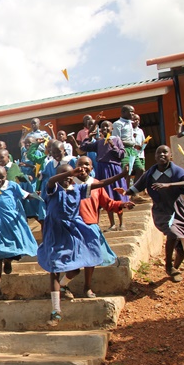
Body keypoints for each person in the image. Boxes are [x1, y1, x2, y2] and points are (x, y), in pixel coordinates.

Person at [38, 164, 129, 325]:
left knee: (75, 270)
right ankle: (56, 310)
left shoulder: (78, 190)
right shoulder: (52, 189)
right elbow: (52, 180)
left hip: (73, 232)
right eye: (63, 175)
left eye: (69, 176)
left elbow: (100, 184)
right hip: (55, 233)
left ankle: (64, 285)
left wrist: (121, 175)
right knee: (54, 269)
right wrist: (71, 172)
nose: (67, 178)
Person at [120, 145, 184, 282]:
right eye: (158, 152)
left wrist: (169, 185)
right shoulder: (151, 173)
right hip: (161, 210)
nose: (162, 154)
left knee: (183, 245)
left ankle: (175, 267)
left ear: (170, 155)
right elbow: (137, 186)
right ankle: (168, 266)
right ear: (155, 157)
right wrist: (125, 192)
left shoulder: (175, 170)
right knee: (172, 232)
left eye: (165, 152)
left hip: (177, 208)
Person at [73, 156, 134, 298]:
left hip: (90, 226)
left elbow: (108, 203)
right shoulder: (69, 185)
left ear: (92, 168)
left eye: (87, 164)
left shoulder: (96, 185)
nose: (83, 167)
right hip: (72, 228)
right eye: (80, 164)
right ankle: (63, 286)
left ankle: (87, 287)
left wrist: (122, 204)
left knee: (91, 258)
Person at [0, 166, 41, 300]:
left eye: (1, 177)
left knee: (16, 252)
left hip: (12, 224)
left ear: (6, 176)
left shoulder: (13, 186)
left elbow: (26, 195)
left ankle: (8, 260)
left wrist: (35, 195)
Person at [80, 121, 129, 231]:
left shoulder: (116, 140)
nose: (105, 128)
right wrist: (88, 137)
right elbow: (83, 147)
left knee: (117, 194)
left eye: (107, 126)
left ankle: (121, 223)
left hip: (115, 169)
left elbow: (122, 154)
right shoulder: (99, 142)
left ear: (112, 129)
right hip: (103, 169)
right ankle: (112, 224)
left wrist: (113, 145)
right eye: (102, 127)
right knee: (107, 195)